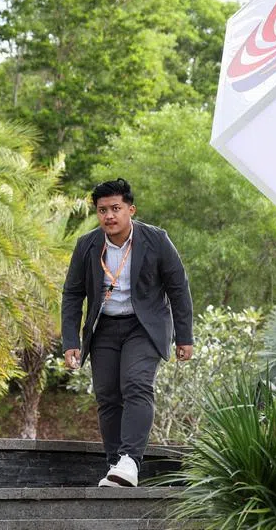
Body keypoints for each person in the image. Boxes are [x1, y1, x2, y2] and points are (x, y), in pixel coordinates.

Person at [61, 178, 194, 487]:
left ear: (130, 210)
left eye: (116, 208)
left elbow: (178, 288)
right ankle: (115, 464)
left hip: (143, 326)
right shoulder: (87, 245)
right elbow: (72, 294)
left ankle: (131, 460)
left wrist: (184, 337)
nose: (109, 216)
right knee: (107, 395)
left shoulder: (157, 240)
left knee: (135, 384)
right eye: (102, 210)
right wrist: (71, 340)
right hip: (104, 327)